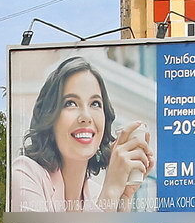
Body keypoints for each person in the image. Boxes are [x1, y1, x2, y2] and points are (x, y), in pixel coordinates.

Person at [10, 56, 153, 213]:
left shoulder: (97, 193)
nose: (86, 116)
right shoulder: (25, 174)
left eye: (95, 104)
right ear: (49, 117)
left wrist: (124, 196)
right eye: (70, 103)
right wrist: (111, 190)